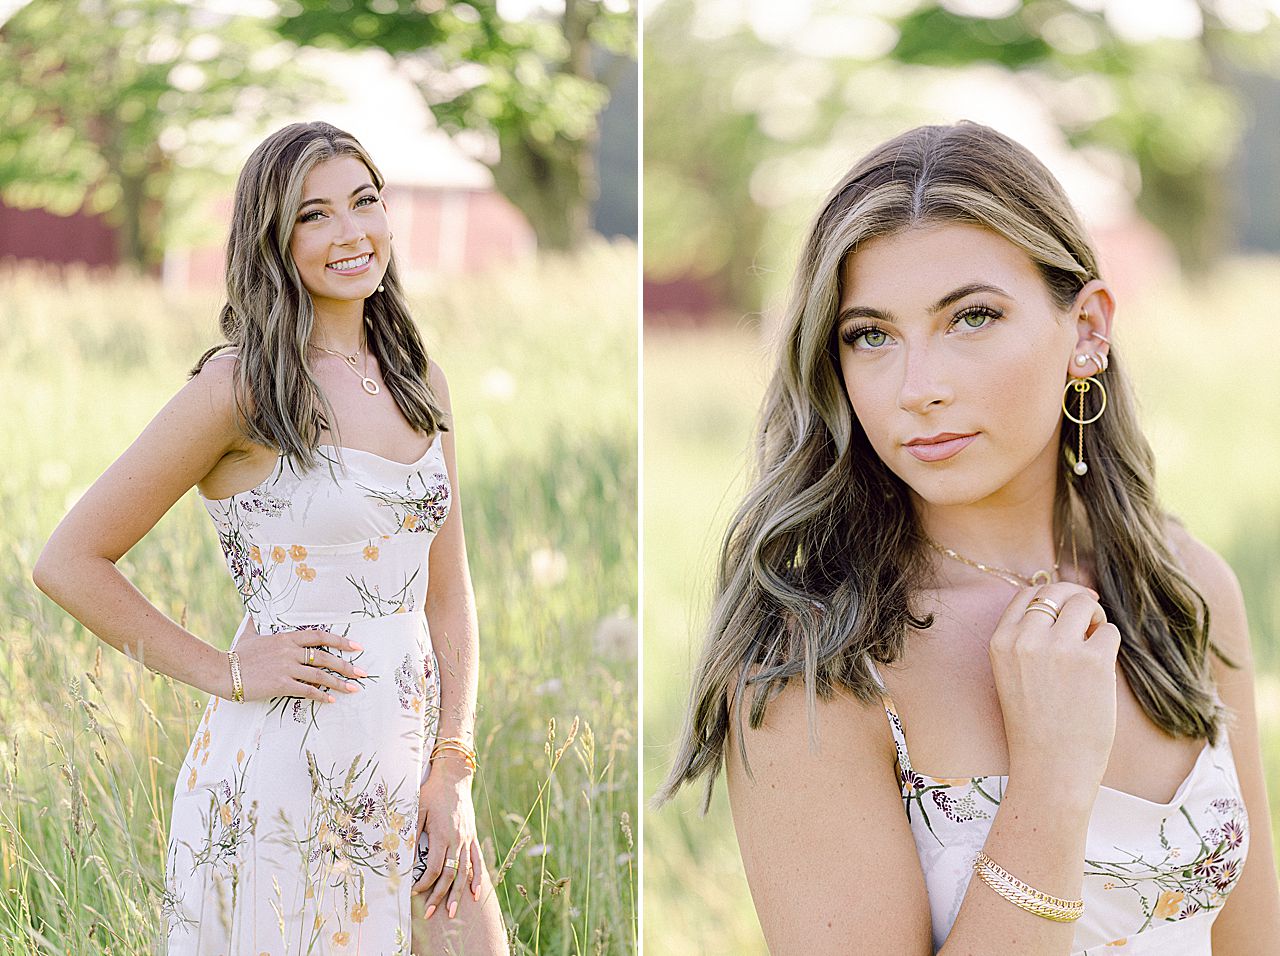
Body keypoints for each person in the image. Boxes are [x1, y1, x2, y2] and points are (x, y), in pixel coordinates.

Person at [653, 121, 1280, 954]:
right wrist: (1052, 777)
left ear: (1087, 328)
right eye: (870, 335)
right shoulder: (816, 668)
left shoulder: (1187, 588)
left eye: (972, 318)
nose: (920, 389)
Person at [32, 120, 510, 954]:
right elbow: (68, 561)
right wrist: (223, 670)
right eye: (313, 215)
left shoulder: (419, 380)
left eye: (364, 203)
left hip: (412, 767)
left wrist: (452, 768)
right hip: (283, 770)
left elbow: (447, 591)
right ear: (273, 240)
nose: (351, 233)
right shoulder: (240, 386)